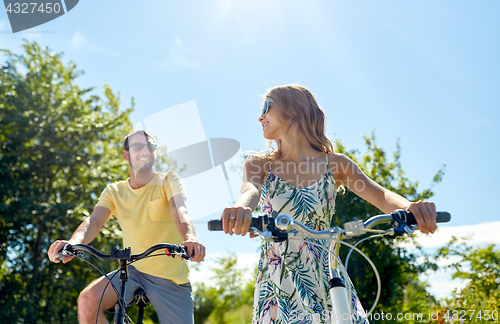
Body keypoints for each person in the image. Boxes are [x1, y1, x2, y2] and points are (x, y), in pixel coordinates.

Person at [221, 84, 438, 324]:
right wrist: (242, 208)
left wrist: (409, 208)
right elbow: (250, 190)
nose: (260, 116)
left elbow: (381, 195)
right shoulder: (259, 163)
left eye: (267, 107)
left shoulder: (335, 164)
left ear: (294, 110)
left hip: (328, 268)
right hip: (280, 276)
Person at [47, 130, 205, 324]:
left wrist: (190, 239)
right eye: (138, 146)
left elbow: (180, 211)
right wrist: (73, 243)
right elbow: (94, 221)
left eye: (150, 146)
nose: (145, 150)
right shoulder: (115, 191)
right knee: (88, 299)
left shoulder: (167, 181)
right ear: (126, 155)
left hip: (171, 278)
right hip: (132, 272)